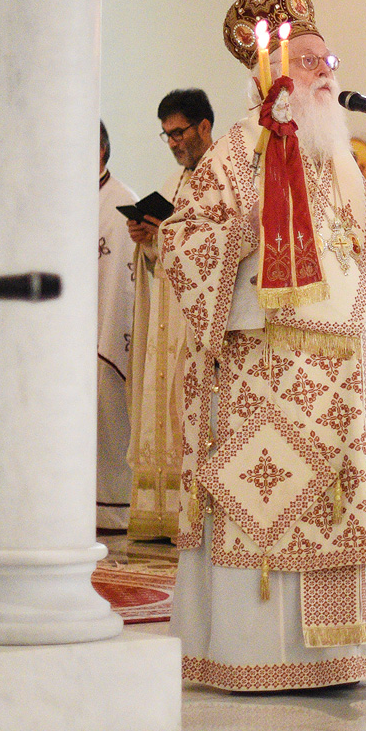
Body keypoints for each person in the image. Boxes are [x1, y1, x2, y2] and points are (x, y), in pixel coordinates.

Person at [162, 0, 366, 691]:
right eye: (306, 60)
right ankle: (249, 655)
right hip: (261, 387)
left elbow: (363, 272)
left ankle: (335, 660)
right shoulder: (239, 151)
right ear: (268, 76)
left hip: (340, 391)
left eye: (327, 57)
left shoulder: (345, 164)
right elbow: (185, 243)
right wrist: (242, 232)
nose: (325, 71)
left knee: (333, 511)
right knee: (263, 509)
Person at [124, 88, 215, 542]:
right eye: (167, 135)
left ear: (204, 127)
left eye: (179, 132)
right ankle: (158, 510)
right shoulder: (176, 181)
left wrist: (168, 239)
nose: (175, 142)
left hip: (198, 322)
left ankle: (189, 513)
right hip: (169, 312)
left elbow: (214, 251)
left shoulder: (221, 180)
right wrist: (147, 240)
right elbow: (166, 255)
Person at [97, 121, 138, 534]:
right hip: (63, 341)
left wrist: (105, 339)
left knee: (106, 413)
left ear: (102, 150)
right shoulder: (65, 203)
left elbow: (121, 282)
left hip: (104, 339)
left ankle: (109, 512)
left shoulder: (120, 202)